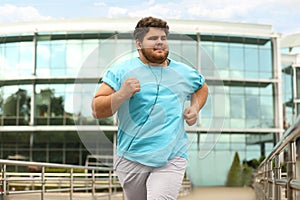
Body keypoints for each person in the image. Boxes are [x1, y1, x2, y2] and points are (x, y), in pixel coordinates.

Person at [92, 16, 208, 200]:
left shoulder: (184, 72)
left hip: (172, 155)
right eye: (153, 38)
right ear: (139, 44)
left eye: (163, 38)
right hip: (131, 156)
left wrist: (195, 108)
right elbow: (97, 110)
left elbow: (202, 87)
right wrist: (122, 94)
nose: (160, 42)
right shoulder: (121, 71)